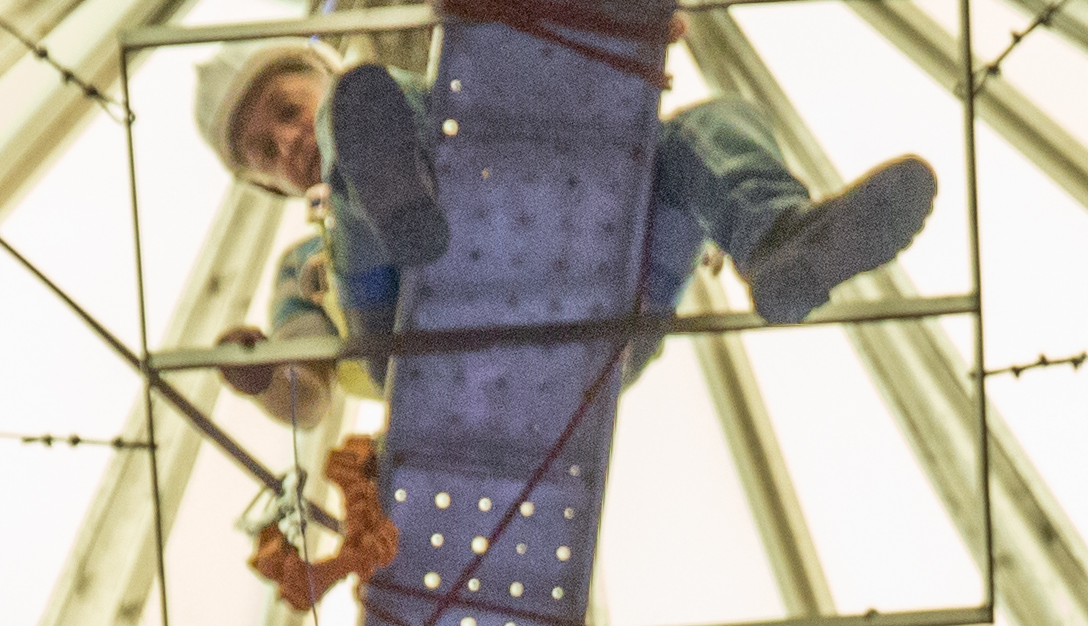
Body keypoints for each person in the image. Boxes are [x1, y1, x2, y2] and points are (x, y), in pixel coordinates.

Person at [189, 39, 938, 424]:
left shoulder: (420, 104)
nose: (287, 144)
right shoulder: (305, 264)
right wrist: (262, 377)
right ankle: (399, 208)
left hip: (595, 315)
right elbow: (306, 395)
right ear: (264, 181)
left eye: (289, 112)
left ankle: (779, 243)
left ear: (313, 75)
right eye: (265, 152)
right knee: (357, 138)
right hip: (416, 354)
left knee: (710, 125)